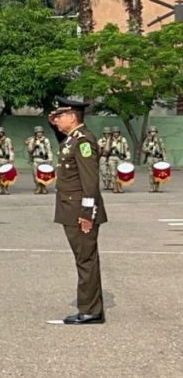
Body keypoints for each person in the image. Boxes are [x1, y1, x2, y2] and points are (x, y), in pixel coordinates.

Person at [47, 98, 107, 325]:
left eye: (60, 116)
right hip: (71, 207)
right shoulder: (73, 139)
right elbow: (65, 145)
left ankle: (90, 310)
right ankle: (92, 308)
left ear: (72, 117)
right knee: (84, 258)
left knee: (85, 260)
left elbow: (90, 181)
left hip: (79, 210)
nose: (57, 119)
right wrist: (55, 125)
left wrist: (86, 213)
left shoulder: (84, 141)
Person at [25, 125, 54, 195]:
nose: (39, 134)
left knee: (44, 175)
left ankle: (43, 187)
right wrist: (35, 145)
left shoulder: (46, 140)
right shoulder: (32, 140)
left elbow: (49, 150)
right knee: (35, 175)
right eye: (38, 132)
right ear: (35, 133)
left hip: (44, 159)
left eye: (41, 132)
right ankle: (38, 187)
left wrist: (50, 159)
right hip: (36, 159)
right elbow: (29, 150)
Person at [141, 126, 168, 192]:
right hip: (150, 157)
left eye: (154, 132)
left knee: (158, 173)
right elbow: (143, 149)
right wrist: (149, 147)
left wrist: (165, 159)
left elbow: (163, 149)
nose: (153, 133)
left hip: (158, 158)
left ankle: (157, 187)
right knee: (151, 173)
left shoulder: (159, 139)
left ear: (156, 132)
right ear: (149, 133)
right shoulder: (147, 140)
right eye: (151, 132)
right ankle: (151, 187)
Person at [106, 126, 130, 194]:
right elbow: (106, 150)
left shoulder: (123, 139)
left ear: (119, 133)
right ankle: (115, 187)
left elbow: (126, 148)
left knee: (120, 173)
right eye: (114, 132)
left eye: (117, 132)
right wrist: (110, 146)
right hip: (112, 157)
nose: (116, 133)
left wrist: (127, 156)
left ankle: (120, 187)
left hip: (120, 157)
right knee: (113, 174)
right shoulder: (109, 140)